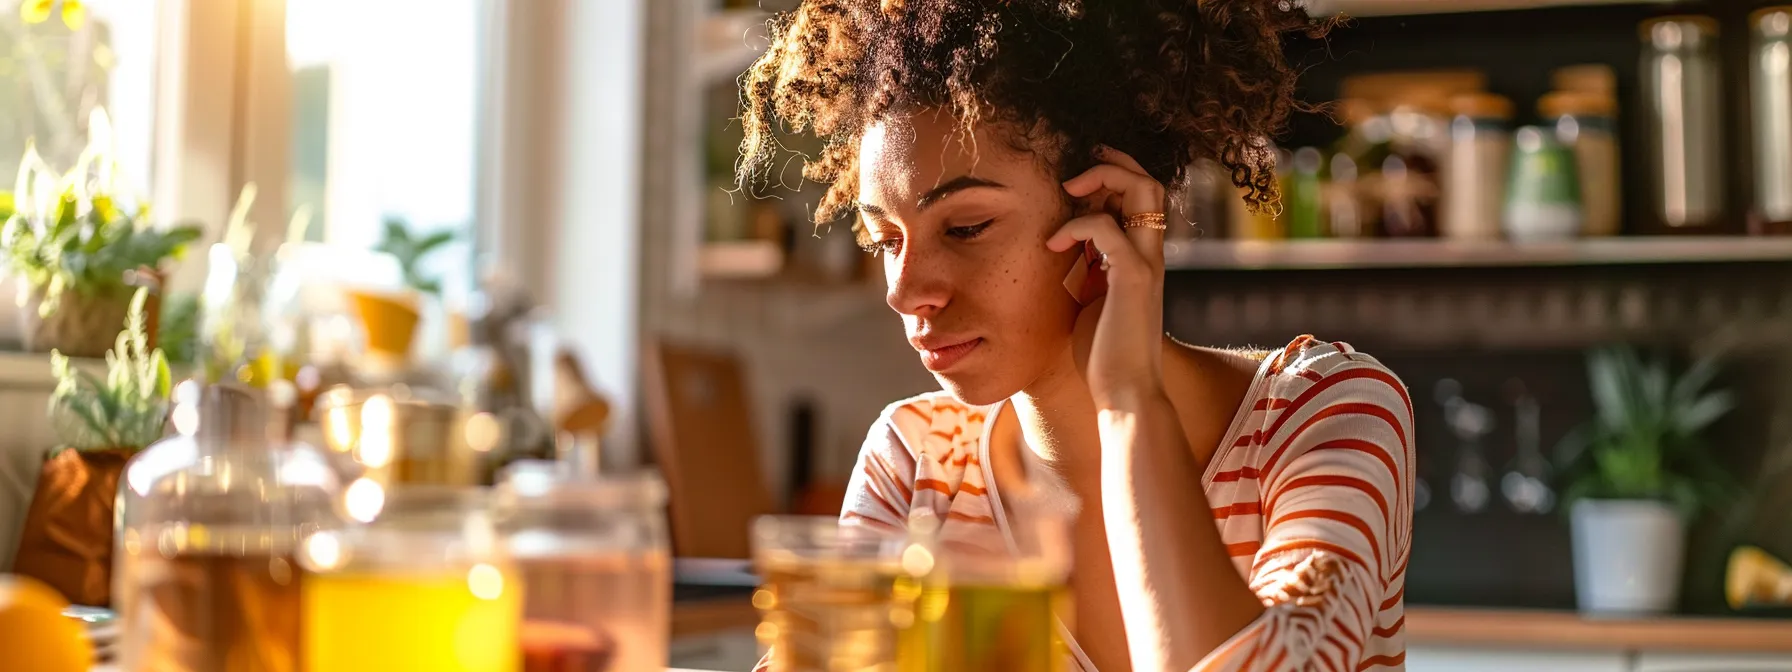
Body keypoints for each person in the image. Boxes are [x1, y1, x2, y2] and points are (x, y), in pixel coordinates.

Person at [737, 1, 1413, 670]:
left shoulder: (1328, 415)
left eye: (966, 228)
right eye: (887, 239)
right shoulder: (917, 462)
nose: (904, 290)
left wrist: (1128, 401)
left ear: (1106, 214)